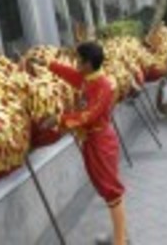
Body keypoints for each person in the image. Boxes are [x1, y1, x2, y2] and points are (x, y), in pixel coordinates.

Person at [46, 42, 127, 245]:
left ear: (89, 64)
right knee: (105, 188)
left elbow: (87, 116)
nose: (75, 63)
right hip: (90, 141)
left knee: (111, 191)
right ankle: (121, 235)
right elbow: (69, 74)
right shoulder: (86, 79)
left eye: (79, 60)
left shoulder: (103, 86)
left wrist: (58, 120)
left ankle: (120, 241)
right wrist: (48, 64)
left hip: (101, 143)